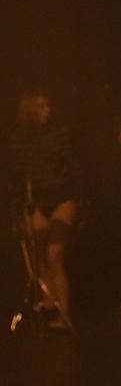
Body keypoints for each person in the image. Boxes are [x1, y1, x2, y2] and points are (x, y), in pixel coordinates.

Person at [11, 89, 79, 328]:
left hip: (61, 199)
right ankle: (49, 308)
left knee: (54, 255)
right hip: (37, 202)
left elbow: (68, 168)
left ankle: (63, 313)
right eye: (40, 107)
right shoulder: (20, 141)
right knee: (40, 258)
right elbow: (18, 175)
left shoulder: (60, 135)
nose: (46, 111)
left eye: (47, 106)